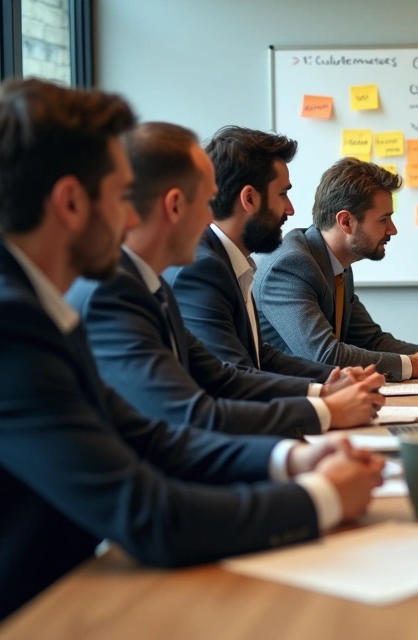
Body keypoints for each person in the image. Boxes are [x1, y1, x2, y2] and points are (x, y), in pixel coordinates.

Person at [0, 79, 384, 639]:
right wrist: (322, 497)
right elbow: (148, 514)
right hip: (16, 618)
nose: (134, 218)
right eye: (123, 196)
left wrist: (291, 463)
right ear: (71, 202)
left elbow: (147, 435)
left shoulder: (20, 296)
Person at [67, 122, 385, 437]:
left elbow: (226, 373)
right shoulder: (136, 286)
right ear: (175, 205)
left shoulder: (155, 283)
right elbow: (194, 411)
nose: (212, 217)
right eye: (207, 200)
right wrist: (324, 409)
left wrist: (326, 389)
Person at [254, 158, 418, 382]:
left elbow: (372, 340)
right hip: (287, 404)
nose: (393, 229)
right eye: (383, 219)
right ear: (346, 222)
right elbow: (324, 355)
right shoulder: (291, 265)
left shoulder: (337, 264)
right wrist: (417, 364)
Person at [164, 126, 337, 380]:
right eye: (283, 194)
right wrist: (323, 394)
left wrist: (336, 377)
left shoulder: (228, 260)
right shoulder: (202, 269)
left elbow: (258, 356)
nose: (290, 210)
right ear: (249, 199)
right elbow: (233, 377)